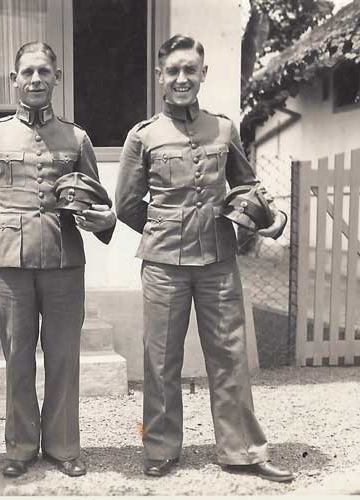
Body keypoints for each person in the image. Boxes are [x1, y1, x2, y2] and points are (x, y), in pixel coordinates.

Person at [115, 34, 294, 482]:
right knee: (161, 359)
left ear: (203, 74)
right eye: (173, 71)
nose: (182, 78)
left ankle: (242, 451)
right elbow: (128, 205)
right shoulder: (143, 135)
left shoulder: (224, 129)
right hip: (164, 265)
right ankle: (160, 448)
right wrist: (164, 230)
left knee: (230, 354)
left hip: (218, 258)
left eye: (190, 70)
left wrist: (270, 216)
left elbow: (246, 184)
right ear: (160, 76)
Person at [0, 42, 116, 478]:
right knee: (17, 357)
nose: (35, 79)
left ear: (57, 78)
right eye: (27, 72)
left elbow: (95, 200)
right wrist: (11, 230)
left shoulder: (76, 138)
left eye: (44, 72)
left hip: (65, 261)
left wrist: (103, 220)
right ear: (13, 80)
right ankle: (20, 447)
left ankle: (64, 446)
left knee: (64, 356)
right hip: (13, 266)